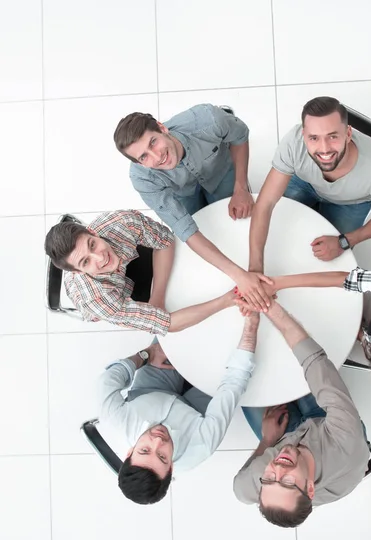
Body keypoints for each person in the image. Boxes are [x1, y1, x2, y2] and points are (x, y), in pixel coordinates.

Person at [114, 105, 272, 312]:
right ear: (139, 163)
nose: (157, 156)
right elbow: (186, 229)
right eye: (144, 157)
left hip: (221, 174)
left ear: (162, 128)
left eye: (153, 142)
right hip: (183, 194)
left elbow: (240, 136)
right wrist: (239, 276)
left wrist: (241, 187)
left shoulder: (208, 120)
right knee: (201, 229)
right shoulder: (142, 178)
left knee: (236, 223)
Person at [232, 300, 370, 528]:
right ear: (310, 488)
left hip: (283, 438)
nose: (277, 468)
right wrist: (269, 307)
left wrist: (267, 441)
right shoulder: (346, 442)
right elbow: (315, 361)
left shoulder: (262, 479)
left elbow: (240, 488)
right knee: (302, 369)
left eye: (269, 479)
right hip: (328, 425)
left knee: (246, 389)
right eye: (287, 481)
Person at [99, 315, 259, 504]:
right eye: (162, 456)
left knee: (174, 324)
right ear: (171, 468)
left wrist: (146, 355)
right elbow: (233, 382)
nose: (158, 440)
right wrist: (250, 327)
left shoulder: (115, 420)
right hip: (196, 409)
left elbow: (109, 379)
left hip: (152, 388)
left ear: (129, 452)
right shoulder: (201, 446)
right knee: (228, 350)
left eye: (144, 450)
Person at [248, 96, 371, 275]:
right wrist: (255, 268)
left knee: (330, 262)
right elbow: (265, 203)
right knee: (276, 229)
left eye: (332, 136)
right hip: (306, 183)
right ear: (303, 136)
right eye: (314, 138)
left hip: (351, 202)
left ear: (348, 134)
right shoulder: (293, 142)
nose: (324, 149)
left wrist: (345, 241)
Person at [236, 267, 371, 397]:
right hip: (370, 290)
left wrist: (358, 333)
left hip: (356, 318)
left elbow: (366, 342)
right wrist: (275, 285)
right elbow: (346, 279)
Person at [44, 210, 235, 334]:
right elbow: (166, 323)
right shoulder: (95, 300)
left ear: (93, 232)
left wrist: (157, 296)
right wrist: (226, 301)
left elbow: (166, 240)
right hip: (114, 293)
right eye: (86, 261)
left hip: (128, 254)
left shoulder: (123, 222)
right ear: (78, 272)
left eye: (92, 244)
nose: (100, 258)